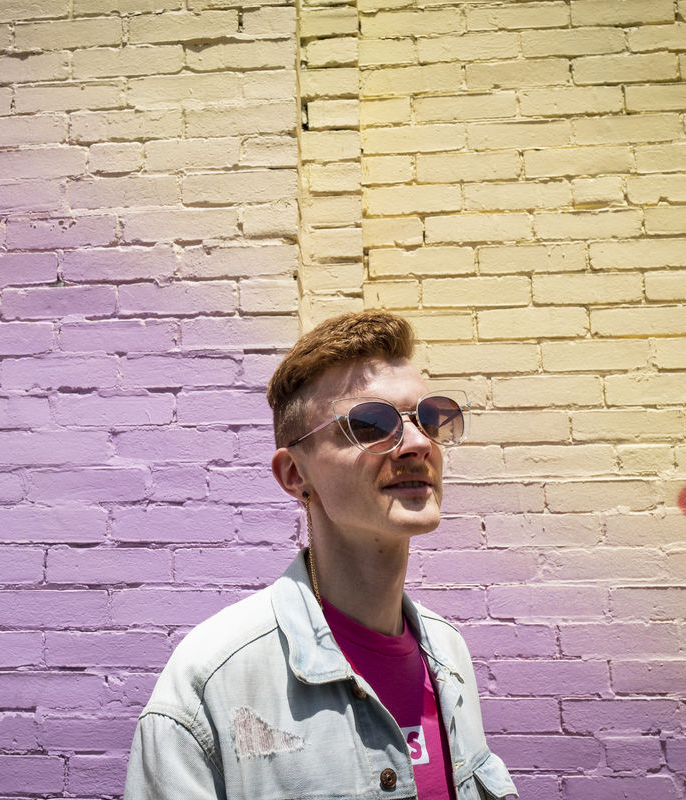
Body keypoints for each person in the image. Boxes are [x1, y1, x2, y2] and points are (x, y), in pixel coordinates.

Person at [124, 311, 517, 799]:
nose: (417, 443)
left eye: (429, 418)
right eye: (372, 423)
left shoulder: (448, 654)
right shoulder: (211, 683)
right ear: (294, 475)